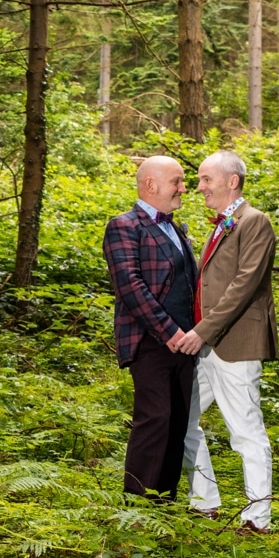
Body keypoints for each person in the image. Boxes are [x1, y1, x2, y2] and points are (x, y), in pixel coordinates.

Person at [175, 150, 279, 534]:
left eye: (206, 179)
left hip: (235, 343)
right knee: (182, 421)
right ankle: (205, 502)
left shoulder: (254, 222)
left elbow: (243, 286)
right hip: (205, 346)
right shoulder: (221, 224)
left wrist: (201, 331)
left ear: (231, 181)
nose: (199, 187)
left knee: (246, 431)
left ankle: (258, 519)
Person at [102, 155, 199, 503]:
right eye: (177, 181)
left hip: (186, 344)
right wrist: (168, 332)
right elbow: (130, 286)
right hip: (149, 342)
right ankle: (138, 502)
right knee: (155, 418)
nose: (183, 188)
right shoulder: (124, 227)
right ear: (151, 185)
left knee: (178, 422)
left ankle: (165, 502)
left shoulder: (177, 228)